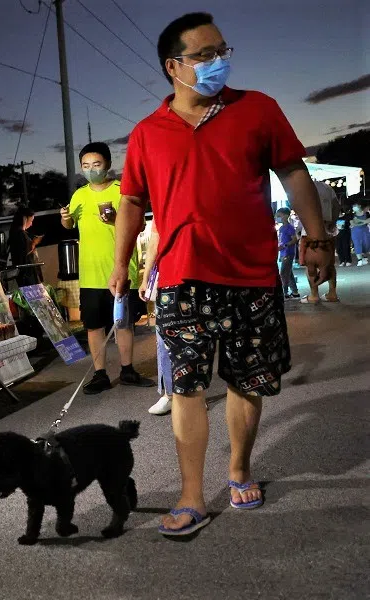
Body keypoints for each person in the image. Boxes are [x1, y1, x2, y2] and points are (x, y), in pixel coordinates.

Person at [108, 12, 334, 536]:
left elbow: (294, 171)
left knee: (245, 380)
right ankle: (191, 495)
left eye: (222, 51)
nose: (219, 62)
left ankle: (239, 469)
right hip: (182, 278)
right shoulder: (146, 133)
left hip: (252, 275)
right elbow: (132, 201)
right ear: (174, 66)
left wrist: (316, 237)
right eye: (205, 54)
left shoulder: (257, 109)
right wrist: (121, 264)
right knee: (185, 386)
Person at [60, 142, 154, 395]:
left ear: (108, 165)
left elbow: (141, 227)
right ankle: (100, 374)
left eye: (97, 165)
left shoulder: (123, 190)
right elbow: (69, 225)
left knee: (123, 323)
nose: (91, 170)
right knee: (93, 325)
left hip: (122, 269)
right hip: (90, 273)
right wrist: (65, 219)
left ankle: (127, 370)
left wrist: (116, 220)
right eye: (86, 166)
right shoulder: (79, 195)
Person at [138, 227, 172, 416]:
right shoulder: (162, 200)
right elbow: (155, 240)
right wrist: (146, 277)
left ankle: (192, 394)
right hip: (167, 274)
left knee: (193, 337)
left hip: (195, 271)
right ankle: (170, 394)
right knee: (164, 338)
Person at [300, 180, 341, 303]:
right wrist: (332, 223)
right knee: (329, 264)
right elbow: (336, 206)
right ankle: (332, 294)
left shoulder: (302, 185)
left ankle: (314, 295)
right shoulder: (327, 187)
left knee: (310, 264)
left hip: (309, 230)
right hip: (327, 229)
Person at [8, 207, 44, 287]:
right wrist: (33, 243)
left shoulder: (15, 232)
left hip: (25, 272)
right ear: (24, 219)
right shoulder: (20, 234)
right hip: (27, 273)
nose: (31, 224)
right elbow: (23, 253)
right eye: (31, 221)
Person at [276, 207, 300, 300]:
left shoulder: (289, 228)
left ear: (286, 216)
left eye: (279, 216)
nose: (277, 218)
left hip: (288, 253)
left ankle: (284, 293)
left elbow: (294, 239)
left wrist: (285, 245)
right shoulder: (282, 228)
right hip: (283, 253)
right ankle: (295, 292)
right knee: (288, 273)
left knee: (283, 273)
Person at [351, 199, 370, 267]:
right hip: (355, 232)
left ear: (359, 206)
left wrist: (358, 221)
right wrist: (362, 222)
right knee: (357, 244)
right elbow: (353, 223)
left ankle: (365, 257)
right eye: (353, 206)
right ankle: (360, 260)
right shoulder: (352, 214)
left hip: (365, 231)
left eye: (355, 205)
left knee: (366, 244)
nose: (354, 207)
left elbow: (368, 221)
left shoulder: (366, 213)